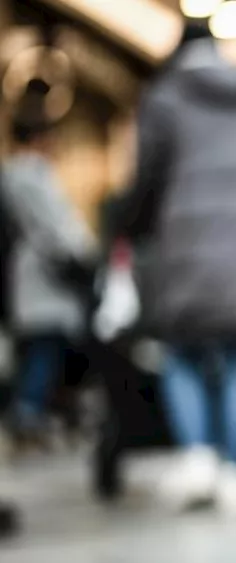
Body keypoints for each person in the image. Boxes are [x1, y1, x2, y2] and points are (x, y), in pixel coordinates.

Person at [121, 22, 236, 515]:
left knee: (181, 356)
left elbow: (146, 180)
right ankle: (233, 469)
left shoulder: (164, 97)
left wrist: (127, 230)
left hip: (189, 251)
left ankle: (199, 458)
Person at [1, 95, 96, 451]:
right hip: (44, 277)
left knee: (47, 349)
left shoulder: (24, 174)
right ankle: (28, 413)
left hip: (42, 277)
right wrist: (83, 252)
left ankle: (40, 413)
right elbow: (54, 226)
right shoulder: (27, 174)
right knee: (44, 348)